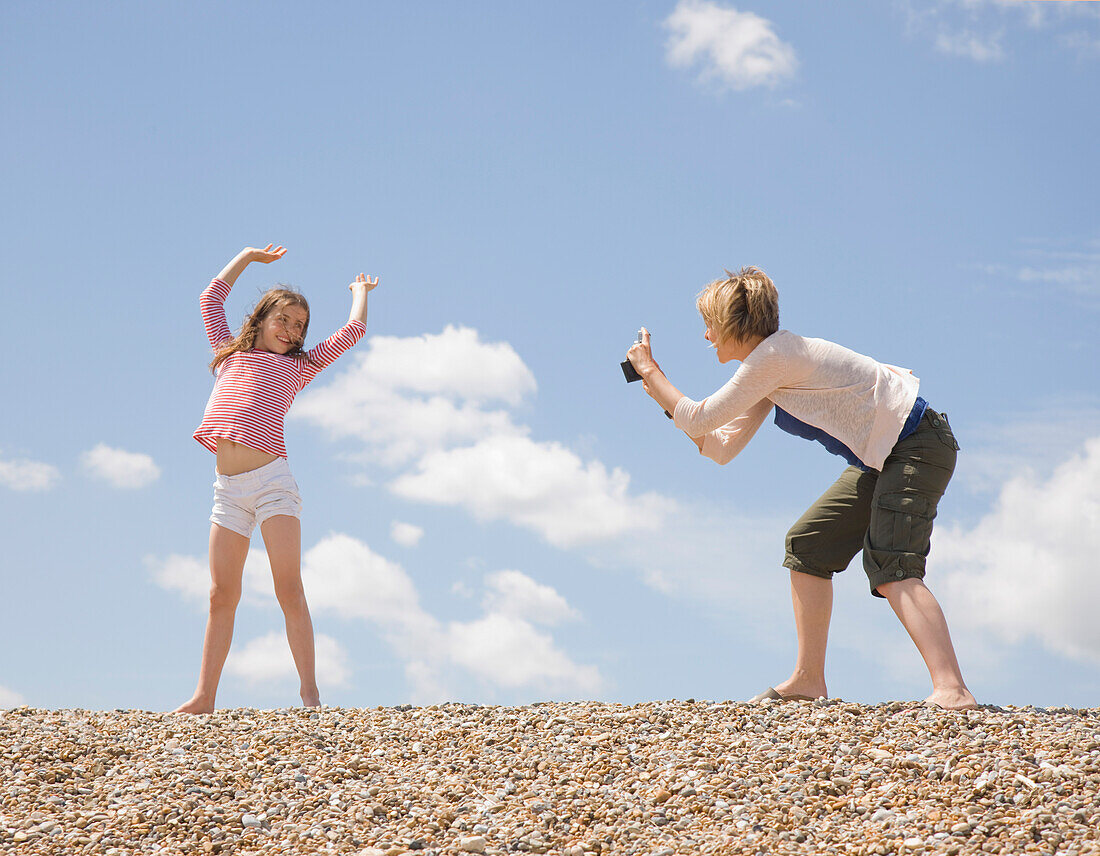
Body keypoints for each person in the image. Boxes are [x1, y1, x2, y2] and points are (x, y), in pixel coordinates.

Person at [626, 266, 977, 710]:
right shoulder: (767, 369)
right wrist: (657, 392)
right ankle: (809, 679)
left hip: (916, 445)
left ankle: (953, 689)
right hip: (884, 456)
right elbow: (720, 446)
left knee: (893, 561)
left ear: (734, 323)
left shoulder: (776, 356)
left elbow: (698, 419)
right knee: (808, 543)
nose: (706, 335)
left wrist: (651, 370)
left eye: (710, 324)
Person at [174, 244, 378, 713]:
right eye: (283, 319)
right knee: (220, 594)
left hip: (272, 483)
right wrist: (246, 257)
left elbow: (355, 331)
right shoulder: (230, 355)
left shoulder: (299, 367)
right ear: (261, 319)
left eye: (300, 325)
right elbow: (210, 297)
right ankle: (204, 697)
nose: (290, 331)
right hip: (227, 492)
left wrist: (360, 292)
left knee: (288, 587)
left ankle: (309, 693)